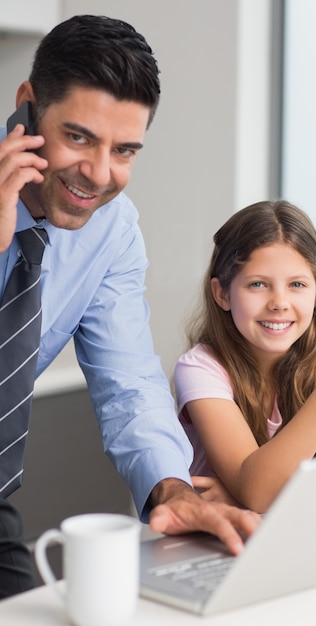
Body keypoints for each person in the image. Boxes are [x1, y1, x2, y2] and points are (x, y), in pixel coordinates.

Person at [0, 14, 259, 598]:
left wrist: (173, 489)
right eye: (79, 137)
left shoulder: (113, 231)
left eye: (124, 150)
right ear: (27, 106)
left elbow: (130, 383)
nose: (98, 174)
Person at [174, 200, 316, 513]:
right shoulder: (200, 369)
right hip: (214, 547)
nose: (279, 302)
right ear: (223, 294)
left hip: (295, 536)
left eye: (297, 284)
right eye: (258, 284)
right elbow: (258, 491)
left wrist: (238, 498)